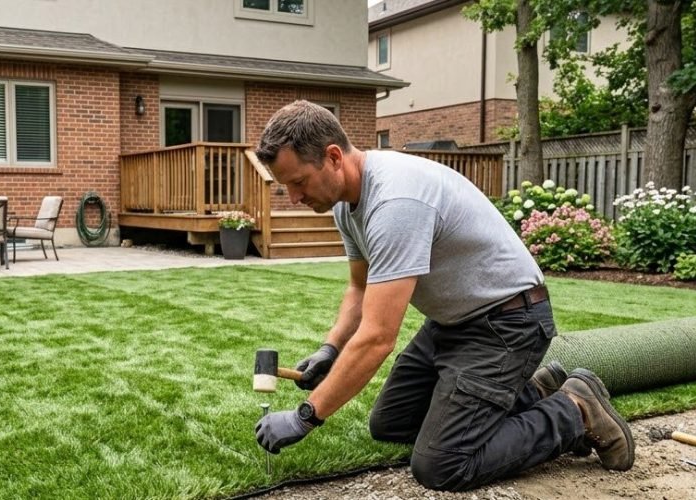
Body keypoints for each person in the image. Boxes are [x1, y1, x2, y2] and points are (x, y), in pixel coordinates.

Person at [252, 101, 635, 491]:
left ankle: (575, 411)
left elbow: (377, 338)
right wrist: (330, 349)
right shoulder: (345, 204)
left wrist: (306, 415)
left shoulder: (395, 202)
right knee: (392, 423)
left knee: (442, 464)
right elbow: (360, 286)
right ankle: (537, 390)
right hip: (453, 323)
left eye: (298, 182)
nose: (294, 196)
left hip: (507, 323)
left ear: (333, 157)